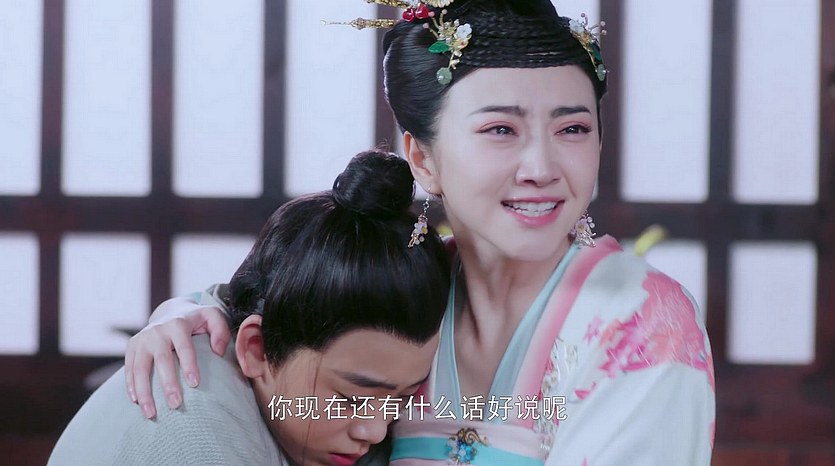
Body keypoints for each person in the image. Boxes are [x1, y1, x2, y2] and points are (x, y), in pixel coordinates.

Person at [125, 1, 716, 464]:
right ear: (423, 158)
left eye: (573, 129)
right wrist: (182, 317)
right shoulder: (416, 279)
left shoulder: (646, 324)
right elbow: (277, 317)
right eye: (501, 130)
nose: (541, 167)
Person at [49, 151, 451, 466]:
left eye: (401, 399)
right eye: (351, 399)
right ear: (255, 348)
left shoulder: (255, 350)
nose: (375, 431)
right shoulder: (195, 427)